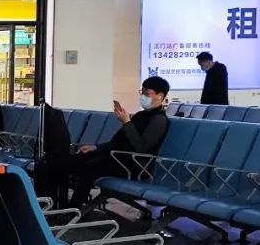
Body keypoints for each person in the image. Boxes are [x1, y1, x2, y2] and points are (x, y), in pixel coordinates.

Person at [35, 76, 171, 208]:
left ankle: (73, 210)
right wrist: (96, 147)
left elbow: (141, 147)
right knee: (60, 162)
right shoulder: (141, 115)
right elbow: (117, 142)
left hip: (130, 165)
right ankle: (51, 205)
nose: (143, 97)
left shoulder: (159, 120)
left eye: (147, 93)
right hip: (115, 158)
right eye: (142, 92)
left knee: (88, 168)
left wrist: (126, 123)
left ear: (160, 96)